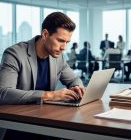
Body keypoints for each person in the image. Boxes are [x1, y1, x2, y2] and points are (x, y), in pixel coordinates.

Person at [0, 12, 85, 140]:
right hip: (19, 126)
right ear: (45, 34)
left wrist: (77, 86)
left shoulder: (58, 56)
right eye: (60, 40)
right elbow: (3, 93)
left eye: (67, 42)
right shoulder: (14, 54)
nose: (64, 47)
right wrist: (49, 95)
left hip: (46, 121)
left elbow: (73, 78)